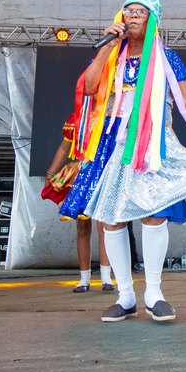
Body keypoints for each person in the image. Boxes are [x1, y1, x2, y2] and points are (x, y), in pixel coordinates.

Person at [59, 0, 186, 323]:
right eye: (129, 11)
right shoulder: (113, 55)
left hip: (153, 141)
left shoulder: (166, 56)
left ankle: (153, 293)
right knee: (112, 217)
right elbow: (91, 88)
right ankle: (125, 297)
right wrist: (107, 48)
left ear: (153, 19)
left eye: (141, 12)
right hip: (112, 142)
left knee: (154, 212)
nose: (133, 16)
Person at [42, 101, 114, 293]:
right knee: (82, 226)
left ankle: (107, 278)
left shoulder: (108, 117)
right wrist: (51, 172)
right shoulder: (75, 119)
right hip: (79, 175)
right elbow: (64, 148)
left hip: (100, 173)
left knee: (103, 226)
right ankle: (84, 279)